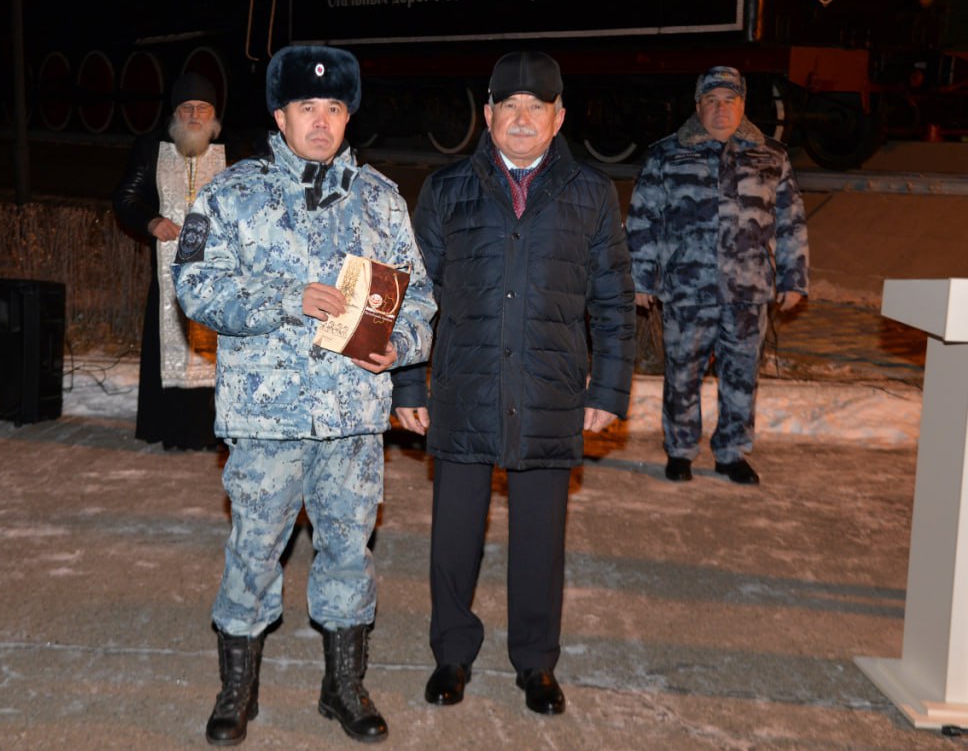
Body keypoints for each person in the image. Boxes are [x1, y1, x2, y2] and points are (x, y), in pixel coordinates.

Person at [173, 45, 435, 745]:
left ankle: (343, 685)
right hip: (267, 418)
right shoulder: (230, 194)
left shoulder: (381, 198)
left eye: (335, 108)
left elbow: (420, 300)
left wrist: (403, 346)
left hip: (351, 420)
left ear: (348, 115)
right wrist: (289, 298)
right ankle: (237, 689)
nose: (321, 122)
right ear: (280, 115)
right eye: (306, 109)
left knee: (349, 550)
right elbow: (194, 286)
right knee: (254, 549)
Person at [392, 51, 635, 717]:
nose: (522, 118)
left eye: (538, 107)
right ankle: (452, 652)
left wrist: (609, 390)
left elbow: (614, 299)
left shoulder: (590, 193)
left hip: (550, 390)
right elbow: (412, 295)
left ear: (559, 117)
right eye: (510, 106)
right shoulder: (446, 189)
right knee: (455, 532)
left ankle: (536, 662)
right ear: (489, 113)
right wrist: (409, 383)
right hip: (466, 387)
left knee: (539, 536)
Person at [626, 66, 809, 485]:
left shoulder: (770, 156)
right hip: (687, 289)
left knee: (741, 376)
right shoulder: (667, 155)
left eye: (729, 100)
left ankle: (731, 453)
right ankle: (680, 450)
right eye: (711, 101)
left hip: (749, 290)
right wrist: (640, 278)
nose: (720, 109)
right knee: (682, 374)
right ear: (698, 107)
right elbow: (642, 219)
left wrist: (794, 279)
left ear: (743, 105)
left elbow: (791, 222)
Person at [113, 72, 226, 450]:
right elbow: (125, 199)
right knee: (169, 342)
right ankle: (172, 431)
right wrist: (152, 221)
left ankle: (213, 433)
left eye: (203, 108)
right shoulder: (152, 150)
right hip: (169, 277)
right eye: (187, 107)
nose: (195, 115)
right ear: (176, 114)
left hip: (219, 275)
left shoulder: (232, 153)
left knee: (216, 347)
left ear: (213, 114)